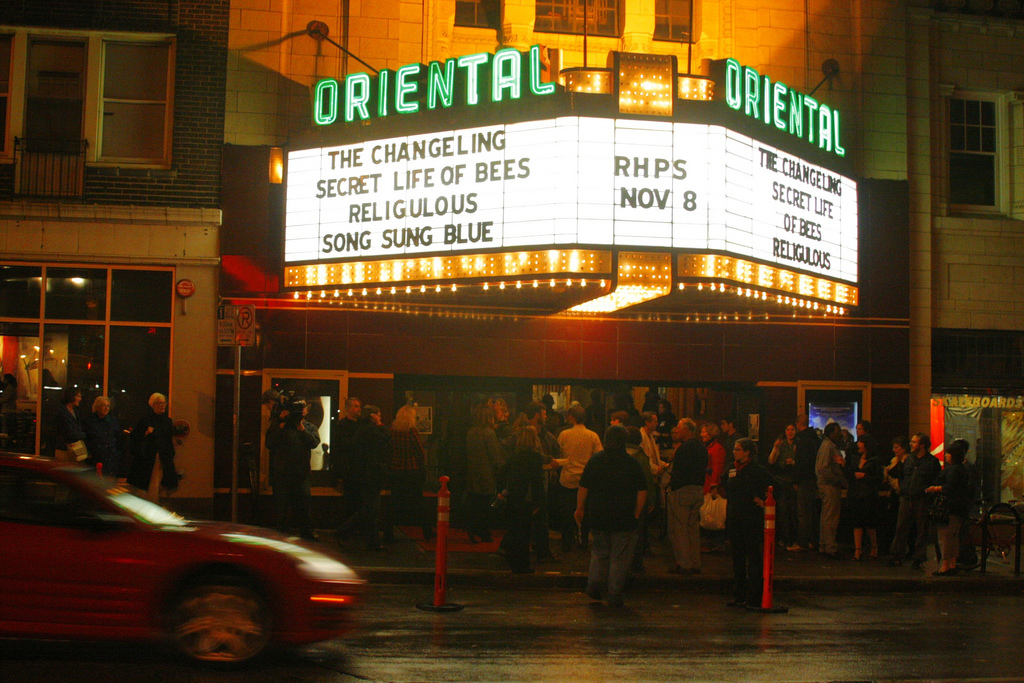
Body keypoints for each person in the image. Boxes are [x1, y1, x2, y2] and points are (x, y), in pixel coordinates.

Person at [575, 424, 647, 608]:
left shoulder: (596, 460)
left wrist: (580, 508)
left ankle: (594, 585)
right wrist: (637, 513)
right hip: (623, 516)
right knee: (619, 556)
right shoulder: (632, 463)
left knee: (599, 552)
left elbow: (584, 486)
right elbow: (642, 490)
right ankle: (614, 592)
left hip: (598, 513)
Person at [723, 438, 773, 610]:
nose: (734, 452)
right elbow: (724, 484)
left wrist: (765, 502)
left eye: (738, 449)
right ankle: (739, 595)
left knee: (753, 557)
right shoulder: (731, 468)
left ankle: (754, 596)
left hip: (751, 519)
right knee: (737, 557)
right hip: (735, 518)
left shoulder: (757, 471)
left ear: (747, 452)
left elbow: (776, 487)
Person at [266, 396, 320, 540]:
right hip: (282, 474)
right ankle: (281, 534)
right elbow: (270, 443)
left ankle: (307, 532)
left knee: (304, 505)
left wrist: (301, 428)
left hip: (301, 474)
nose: (300, 411)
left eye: (302, 408)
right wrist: (281, 423)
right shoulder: (281, 425)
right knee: (281, 507)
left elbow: (314, 443)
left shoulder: (309, 427)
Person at [336, 405, 390, 550]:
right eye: (378, 415)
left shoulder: (361, 430)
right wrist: (380, 425)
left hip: (364, 474)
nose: (380, 418)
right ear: (373, 416)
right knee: (371, 508)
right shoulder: (371, 430)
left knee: (370, 509)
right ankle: (345, 530)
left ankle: (372, 541)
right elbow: (386, 439)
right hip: (371, 475)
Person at [889, 433, 941, 569]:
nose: (911, 444)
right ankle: (896, 555)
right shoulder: (909, 460)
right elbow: (896, 473)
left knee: (922, 529)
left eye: (914, 442)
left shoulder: (931, 462)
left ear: (922, 445)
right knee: (901, 528)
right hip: (907, 498)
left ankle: (918, 558)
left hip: (921, 499)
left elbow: (936, 480)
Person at [556, 405, 603, 553]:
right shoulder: (592, 435)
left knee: (566, 513)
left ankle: (566, 542)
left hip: (567, 478)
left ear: (572, 418)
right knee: (584, 512)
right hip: (586, 480)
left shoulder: (564, 434)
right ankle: (583, 541)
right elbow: (599, 456)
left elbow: (559, 454)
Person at [384, 404, 435, 542]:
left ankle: (388, 532)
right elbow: (419, 450)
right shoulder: (411, 430)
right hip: (411, 470)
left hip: (396, 469)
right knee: (418, 501)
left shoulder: (392, 430)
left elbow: (389, 450)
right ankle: (427, 530)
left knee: (394, 502)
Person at [664, 418, 708, 575]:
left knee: (679, 529)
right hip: (697, 490)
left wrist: (671, 487)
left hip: (682, 491)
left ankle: (684, 563)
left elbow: (678, 471)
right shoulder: (701, 447)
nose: (677, 431)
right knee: (692, 528)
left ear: (687, 430)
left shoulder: (684, 449)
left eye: (679, 428)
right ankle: (695, 562)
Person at [504, 426, 546, 574]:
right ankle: (523, 563)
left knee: (514, 529)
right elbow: (536, 482)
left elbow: (505, 474)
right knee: (524, 532)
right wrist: (539, 501)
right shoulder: (535, 457)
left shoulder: (514, 456)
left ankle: (513, 560)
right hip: (526, 498)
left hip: (514, 496)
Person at [927, 439, 972, 576]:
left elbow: (950, 488)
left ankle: (945, 564)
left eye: (948, 454)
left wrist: (935, 488)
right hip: (958, 509)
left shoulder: (952, 470)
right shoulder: (963, 469)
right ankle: (952, 563)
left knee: (945, 537)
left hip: (948, 509)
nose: (946, 456)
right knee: (954, 537)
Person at [127, 393, 182, 501]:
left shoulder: (167, 421)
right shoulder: (146, 420)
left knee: (157, 484)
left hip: (162, 458)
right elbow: (135, 436)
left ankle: (153, 504)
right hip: (146, 459)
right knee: (145, 485)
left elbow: (168, 440)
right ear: (153, 405)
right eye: (159, 403)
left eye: (163, 403)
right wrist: (146, 432)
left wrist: (170, 455)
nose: (162, 405)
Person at [465, 404, 503, 543]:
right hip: (487, 474)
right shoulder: (489, 433)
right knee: (485, 506)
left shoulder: (471, 432)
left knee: (475, 504)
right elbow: (495, 457)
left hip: (473, 472)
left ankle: (473, 529)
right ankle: (484, 533)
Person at [625, 426, 656, 573]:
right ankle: (636, 563)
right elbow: (647, 481)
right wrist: (651, 499)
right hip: (638, 499)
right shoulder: (641, 457)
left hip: (620, 499)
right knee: (638, 531)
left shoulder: (617, 454)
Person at [847, 436, 883, 560]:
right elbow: (850, 474)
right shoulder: (855, 458)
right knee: (857, 522)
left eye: (861, 442)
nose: (858, 445)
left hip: (869, 495)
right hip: (856, 494)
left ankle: (874, 547)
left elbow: (879, 478)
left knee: (869, 523)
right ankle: (858, 550)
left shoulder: (875, 460)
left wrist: (865, 476)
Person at [815, 422, 847, 558]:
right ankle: (830, 547)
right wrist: (838, 480)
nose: (840, 434)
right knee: (831, 517)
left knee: (826, 516)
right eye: (837, 431)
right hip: (830, 486)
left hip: (828, 485)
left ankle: (824, 545)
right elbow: (822, 469)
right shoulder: (828, 447)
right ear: (830, 433)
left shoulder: (827, 446)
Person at [790, 414, 820, 551]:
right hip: (813, 479)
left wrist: (796, 479)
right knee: (811, 511)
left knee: (803, 512)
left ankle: (802, 542)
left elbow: (802, 463)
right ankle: (813, 540)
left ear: (798, 424)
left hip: (804, 480)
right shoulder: (815, 439)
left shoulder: (802, 440)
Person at [767, 424, 798, 549]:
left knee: (793, 511)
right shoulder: (781, 444)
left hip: (793, 480)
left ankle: (792, 538)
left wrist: (794, 462)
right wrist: (775, 448)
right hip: (782, 479)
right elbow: (771, 461)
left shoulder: (798, 445)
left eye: (792, 430)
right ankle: (784, 538)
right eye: (788, 430)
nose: (790, 432)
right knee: (783, 510)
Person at [332, 397, 363, 519]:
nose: (359, 409)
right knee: (349, 499)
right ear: (348, 409)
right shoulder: (341, 425)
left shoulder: (362, 424)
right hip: (348, 467)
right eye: (356, 406)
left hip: (360, 467)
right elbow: (339, 446)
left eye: (359, 406)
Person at [83, 396, 122, 477]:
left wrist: (116, 455)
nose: (106, 408)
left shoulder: (113, 422)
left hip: (110, 460)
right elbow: (85, 439)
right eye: (103, 406)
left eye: (108, 406)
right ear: (97, 407)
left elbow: (118, 439)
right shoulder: (89, 422)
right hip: (95, 459)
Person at [53, 387, 86, 462]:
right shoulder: (62, 413)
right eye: (78, 396)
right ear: (71, 396)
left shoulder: (76, 412)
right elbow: (68, 432)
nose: (80, 399)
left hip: (74, 448)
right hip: (64, 449)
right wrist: (84, 435)